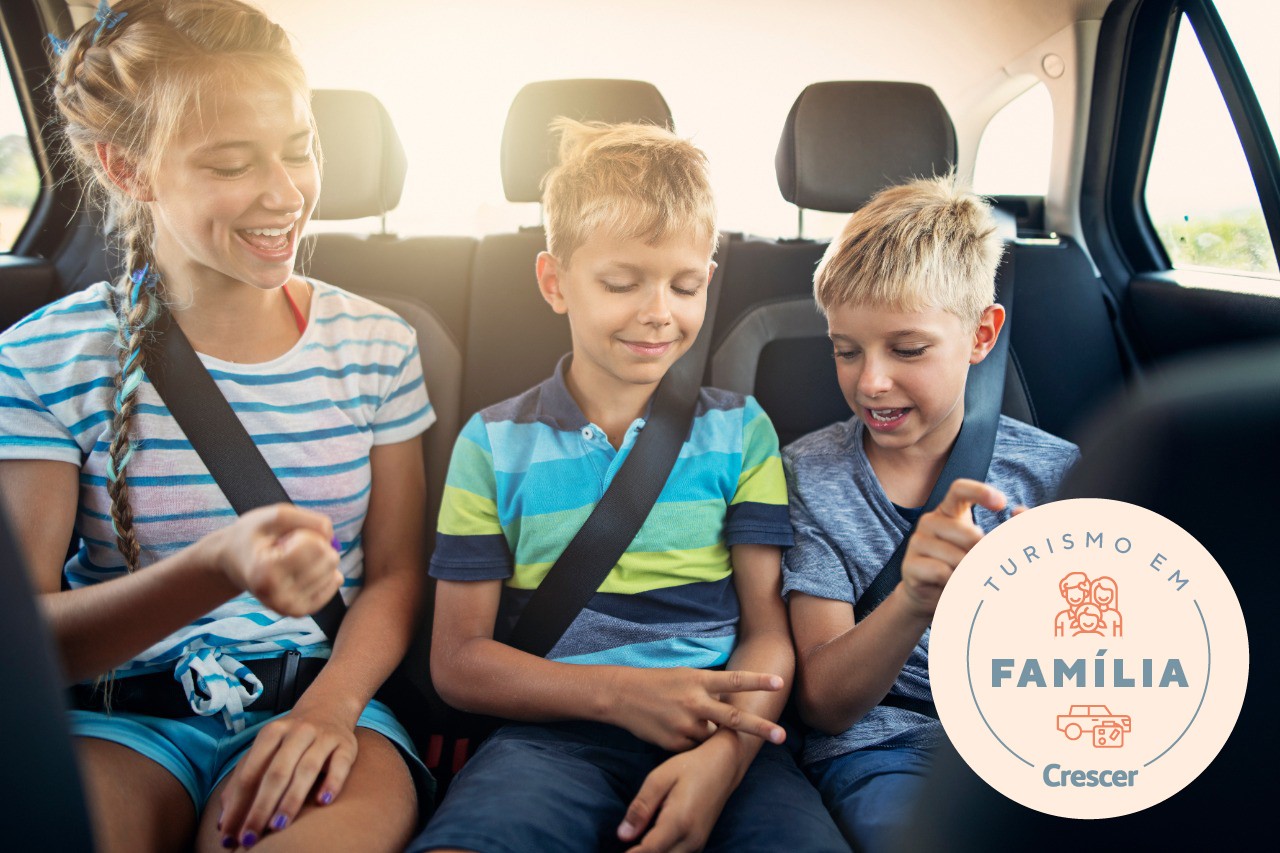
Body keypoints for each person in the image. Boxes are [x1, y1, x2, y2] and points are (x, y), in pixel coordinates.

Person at [0, 2, 432, 850]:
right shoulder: (43, 358)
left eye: (301, 149)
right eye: (233, 164)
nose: (285, 192)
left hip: (322, 695)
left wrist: (331, 709)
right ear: (130, 171)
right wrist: (214, 568)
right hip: (116, 719)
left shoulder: (377, 344)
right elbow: (27, 639)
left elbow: (394, 573)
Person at [410, 119, 847, 853]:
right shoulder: (492, 444)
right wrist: (621, 694)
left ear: (708, 280)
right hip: (551, 739)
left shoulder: (741, 431)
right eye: (621, 283)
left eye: (683, 285)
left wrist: (723, 759)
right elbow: (457, 662)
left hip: (721, 732)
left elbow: (769, 635)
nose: (658, 312)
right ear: (556, 282)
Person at [781, 175, 1080, 852]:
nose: (871, 381)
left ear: (981, 334)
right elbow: (825, 702)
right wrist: (915, 596)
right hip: (885, 745)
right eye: (845, 349)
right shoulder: (810, 476)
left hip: (1037, 733)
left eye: (907, 349)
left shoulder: (1057, 473)